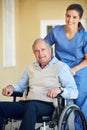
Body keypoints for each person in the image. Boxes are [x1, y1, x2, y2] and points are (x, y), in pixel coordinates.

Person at [0, 38, 78, 130]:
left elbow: (74, 92)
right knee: (1, 107)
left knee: (31, 106)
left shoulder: (61, 67)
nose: (40, 53)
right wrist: (11, 87)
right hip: (28, 103)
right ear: (34, 54)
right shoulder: (30, 68)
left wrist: (60, 90)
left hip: (49, 106)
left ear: (50, 50)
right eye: (37, 51)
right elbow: (20, 86)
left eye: (43, 50)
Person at [44, 3, 87, 130]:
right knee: (62, 102)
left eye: (74, 17)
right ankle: (63, 128)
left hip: (80, 71)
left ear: (79, 19)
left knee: (81, 103)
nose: (70, 20)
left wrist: (74, 69)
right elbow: (44, 47)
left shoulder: (84, 36)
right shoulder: (56, 31)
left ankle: (81, 128)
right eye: (68, 16)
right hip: (61, 70)